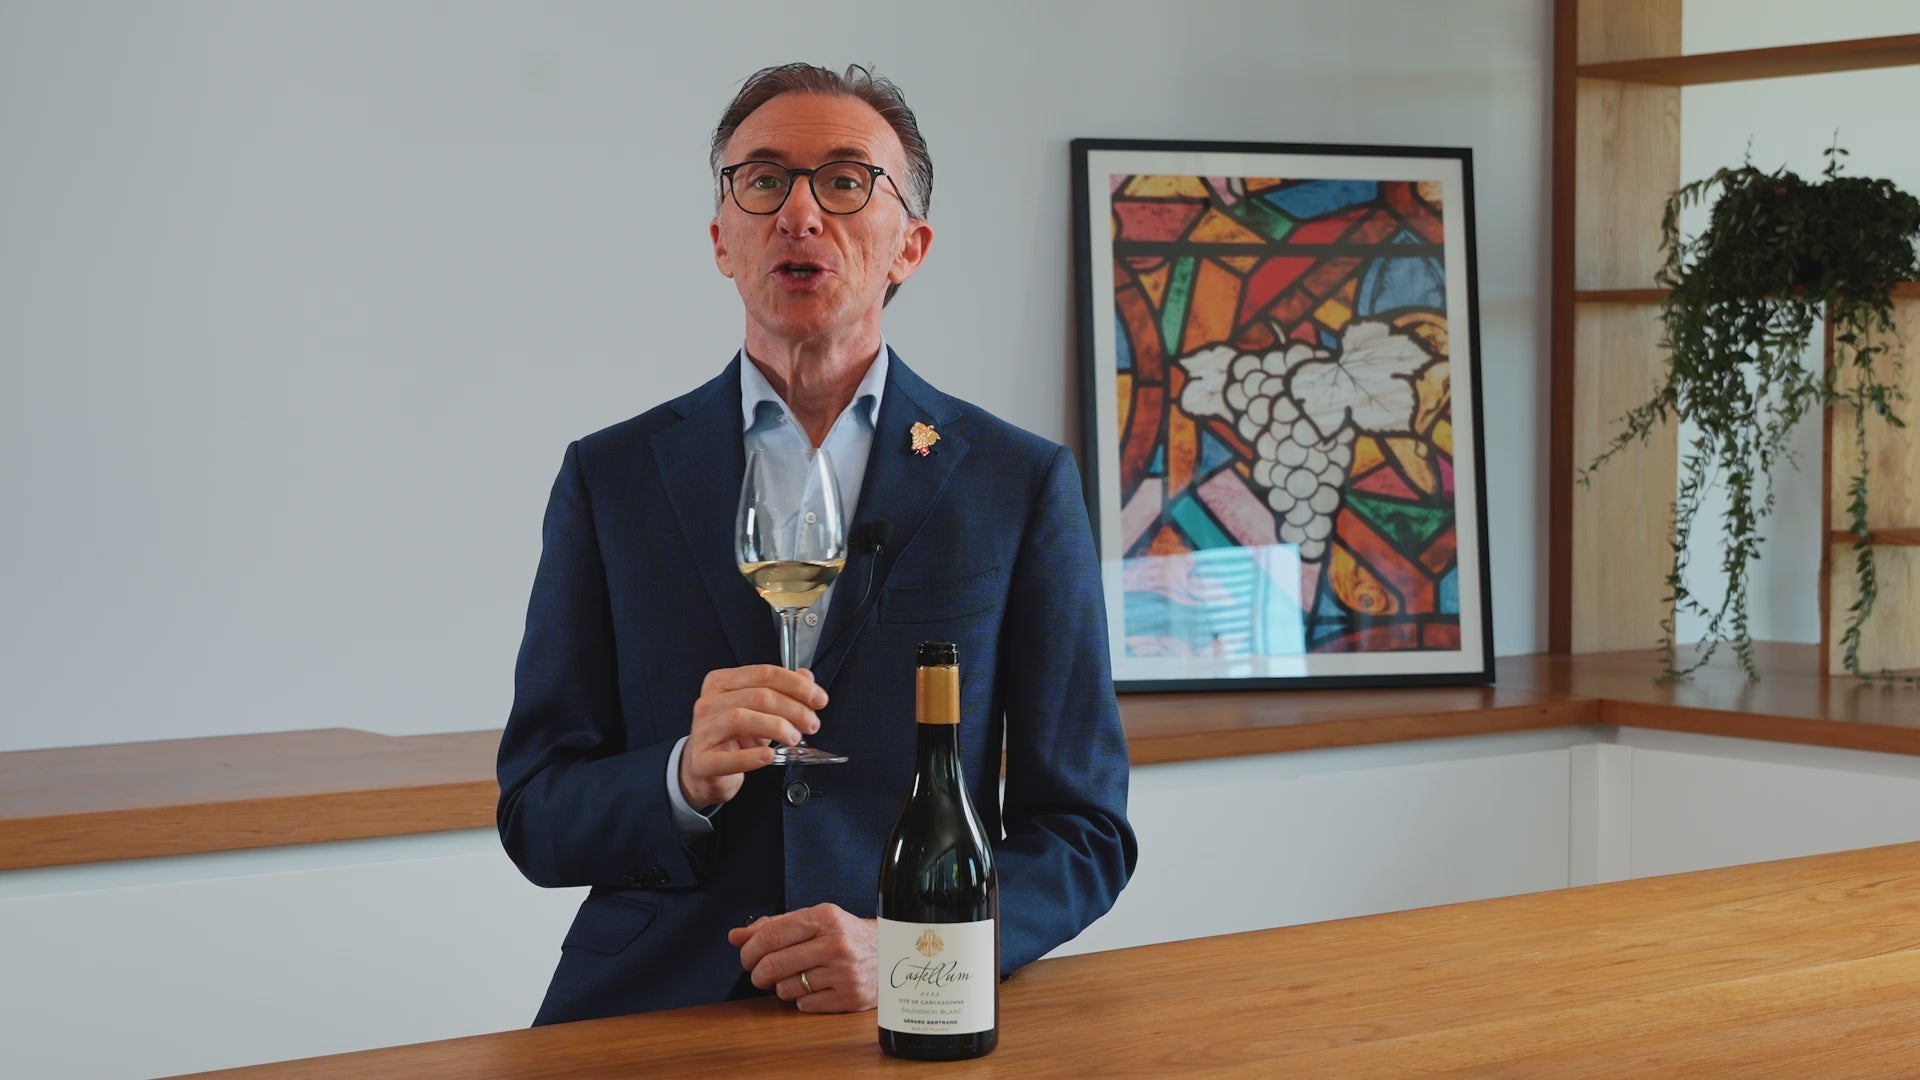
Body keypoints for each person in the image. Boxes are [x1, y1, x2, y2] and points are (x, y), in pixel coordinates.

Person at [496, 62, 1136, 1025]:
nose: (799, 213)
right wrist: (682, 775)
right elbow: (535, 814)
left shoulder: (1018, 484)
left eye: (844, 181)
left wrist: (917, 949)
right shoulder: (610, 478)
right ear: (722, 239)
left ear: (910, 245)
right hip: (650, 1003)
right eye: (763, 180)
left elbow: (1085, 831)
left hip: (908, 1012)